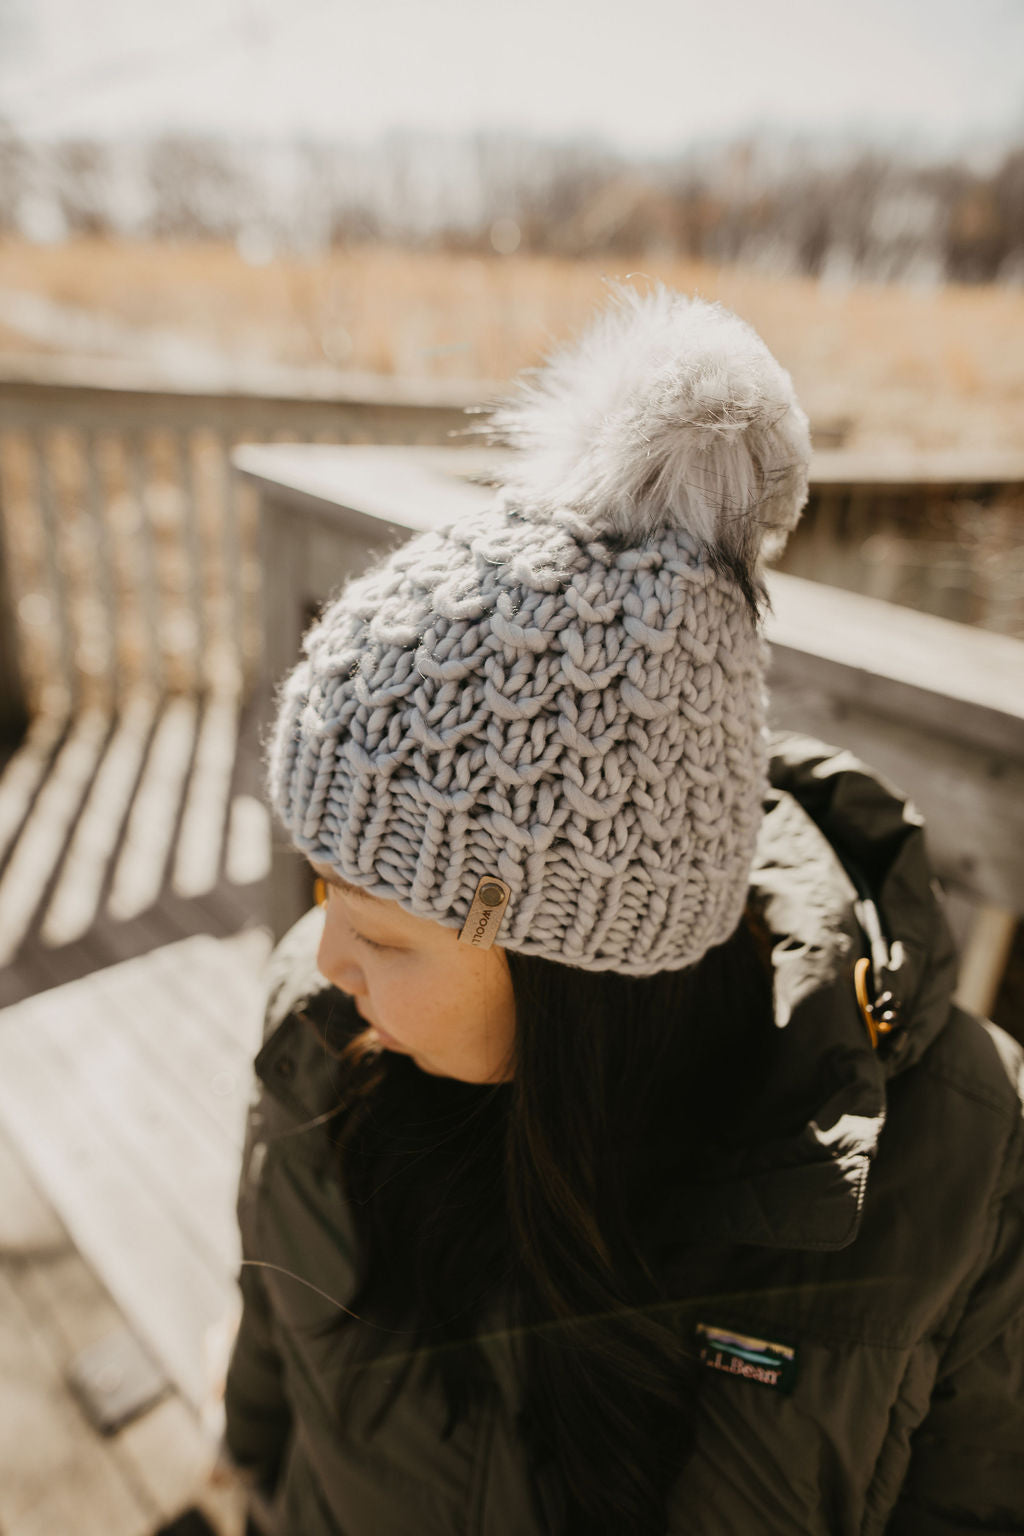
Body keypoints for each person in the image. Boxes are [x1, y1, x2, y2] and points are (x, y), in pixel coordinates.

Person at [222, 285, 1024, 1535]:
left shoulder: (962, 1173)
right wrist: (251, 1484)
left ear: (584, 974)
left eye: (382, 931)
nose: (323, 961)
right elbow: (270, 1356)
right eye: (325, 888)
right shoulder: (323, 1047)